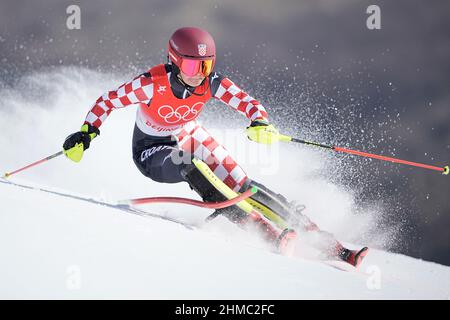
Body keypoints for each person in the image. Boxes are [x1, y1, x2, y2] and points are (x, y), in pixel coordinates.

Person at [62, 27, 368, 267]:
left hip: (188, 134)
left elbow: (247, 102)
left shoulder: (211, 82)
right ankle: (265, 231)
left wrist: (259, 122)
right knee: (191, 164)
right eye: (194, 66)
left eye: (207, 65)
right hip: (151, 151)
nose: (201, 74)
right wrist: (87, 133)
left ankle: (325, 241)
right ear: (175, 61)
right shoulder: (150, 84)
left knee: (242, 182)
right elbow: (108, 101)